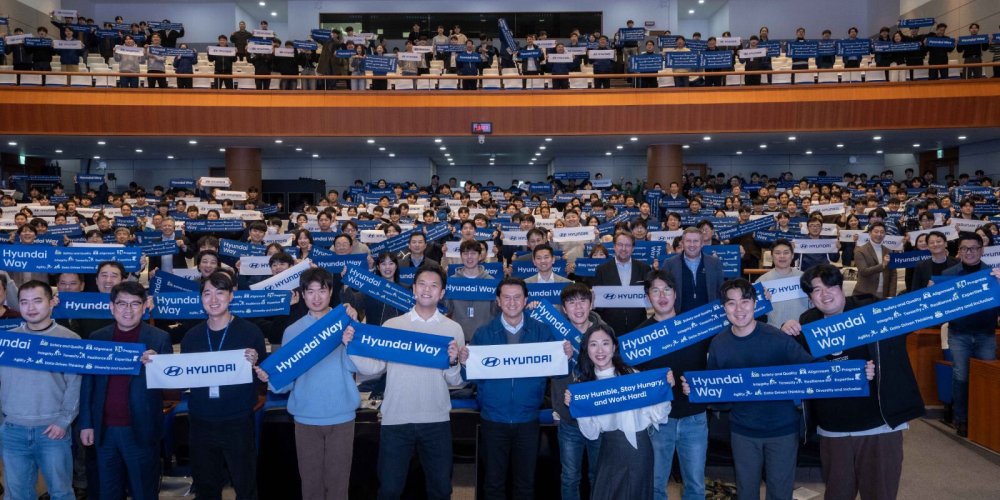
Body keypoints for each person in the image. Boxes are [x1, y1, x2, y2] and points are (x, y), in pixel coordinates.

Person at [781, 264, 921, 500]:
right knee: (837, 493)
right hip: (833, 428)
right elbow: (800, 370)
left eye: (831, 286)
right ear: (810, 297)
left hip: (878, 424)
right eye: (816, 290)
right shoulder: (807, 323)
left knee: (880, 493)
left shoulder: (871, 310)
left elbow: (920, 311)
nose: (825, 294)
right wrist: (784, 331)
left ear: (841, 288)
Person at [683, 279, 814, 500]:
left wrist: (854, 372)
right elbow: (719, 396)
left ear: (755, 304)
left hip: (782, 431)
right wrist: (697, 390)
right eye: (731, 303)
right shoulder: (719, 344)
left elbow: (813, 368)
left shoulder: (777, 338)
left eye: (744, 301)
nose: (739, 309)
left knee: (781, 493)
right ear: (724, 308)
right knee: (746, 492)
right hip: (743, 432)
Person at [345, 264, 463, 500]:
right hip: (396, 420)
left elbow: (456, 381)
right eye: (422, 284)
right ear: (414, 289)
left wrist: (452, 362)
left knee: (440, 489)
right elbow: (374, 367)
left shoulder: (453, 329)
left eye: (434, 285)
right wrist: (352, 346)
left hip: (436, 421)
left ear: (441, 293)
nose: (427, 290)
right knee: (389, 489)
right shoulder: (393, 326)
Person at [458, 277, 573, 500]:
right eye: (506, 297)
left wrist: (565, 358)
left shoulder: (541, 332)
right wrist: (464, 362)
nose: (512, 302)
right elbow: (469, 377)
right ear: (498, 301)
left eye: (517, 297)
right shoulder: (483, 334)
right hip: (493, 420)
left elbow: (558, 373)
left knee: (525, 484)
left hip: (528, 420)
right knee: (493, 484)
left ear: (525, 299)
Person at [254, 268, 360, 500]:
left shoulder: (347, 323)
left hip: (341, 415)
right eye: (310, 291)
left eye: (322, 290)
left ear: (331, 292)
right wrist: (270, 378)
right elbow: (286, 381)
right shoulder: (292, 331)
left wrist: (352, 336)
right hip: (305, 417)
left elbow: (359, 366)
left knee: (338, 487)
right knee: (310, 486)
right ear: (302, 295)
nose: (316, 297)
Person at [79, 281, 171, 500]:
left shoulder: (159, 339)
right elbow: (88, 386)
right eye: (122, 304)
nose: (128, 310)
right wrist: (86, 424)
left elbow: (170, 389)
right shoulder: (97, 338)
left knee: (143, 492)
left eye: (135, 304)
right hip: (104, 430)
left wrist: (159, 367)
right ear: (111, 307)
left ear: (145, 306)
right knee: (108, 492)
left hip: (141, 430)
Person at [180, 272, 265, 500]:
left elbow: (263, 378)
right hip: (200, 422)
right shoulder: (191, 337)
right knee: (206, 488)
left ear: (231, 296)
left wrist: (256, 365)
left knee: (245, 486)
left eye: (220, 292)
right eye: (207, 293)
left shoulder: (250, 333)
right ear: (201, 298)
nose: (214, 299)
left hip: (237, 422)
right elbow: (182, 378)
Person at [567, 326, 673, 500]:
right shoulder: (585, 386)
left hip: (640, 449)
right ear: (587, 349)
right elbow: (591, 434)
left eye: (605, 343)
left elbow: (658, 416)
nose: (600, 350)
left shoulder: (634, 376)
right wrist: (579, 407)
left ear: (614, 347)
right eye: (593, 344)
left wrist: (664, 391)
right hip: (610, 450)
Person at [0, 280, 81, 500]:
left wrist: (63, 421)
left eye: (37, 301)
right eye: (24, 302)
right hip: (13, 430)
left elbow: (75, 385)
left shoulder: (69, 340)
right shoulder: (7, 341)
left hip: (53, 431)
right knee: (16, 494)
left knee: (61, 493)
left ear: (51, 303)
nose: (31, 307)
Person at [636, 270, 708, 500]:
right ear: (648, 297)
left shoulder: (695, 327)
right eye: (655, 290)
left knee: (695, 486)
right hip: (658, 421)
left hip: (694, 417)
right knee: (656, 485)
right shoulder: (639, 336)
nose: (662, 295)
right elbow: (634, 381)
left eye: (667, 289)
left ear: (675, 294)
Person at [940, 231, 999, 437]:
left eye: (974, 248)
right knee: (961, 377)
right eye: (965, 248)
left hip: (986, 335)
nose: (969, 252)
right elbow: (940, 309)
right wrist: (932, 294)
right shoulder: (948, 275)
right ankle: (962, 419)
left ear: (981, 251)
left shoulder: (994, 274)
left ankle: (987, 420)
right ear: (959, 251)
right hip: (959, 334)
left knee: (988, 377)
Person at [551, 283, 606, 499]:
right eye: (571, 302)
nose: (578, 307)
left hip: (600, 419)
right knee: (570, 477)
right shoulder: (554, 334)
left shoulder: (604, 332)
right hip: (569, 420)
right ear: (564, 308)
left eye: (583, 301)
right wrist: (558, 357)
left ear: (591, 303)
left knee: (598, 475)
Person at [593, 231, 652, 335]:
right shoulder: (601, 270)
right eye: (620, 245)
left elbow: (650, 297)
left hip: (639, 326)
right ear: (614, 247)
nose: (624, 249)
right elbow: (599, 303)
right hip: (610, 328)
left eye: (628, 245)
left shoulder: (644, 268)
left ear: (633, 248)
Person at [445, 239, 499, 342]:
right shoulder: (452, 281)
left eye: (473, 253)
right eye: (465, 253)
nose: (469, 257)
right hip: (458, 339)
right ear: (461, 256)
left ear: (480, 256)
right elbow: (448, 309)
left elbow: (495, 311)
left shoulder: (491, 282)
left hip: (485, 339)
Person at [663, 227, 725, 315]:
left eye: (696, 241)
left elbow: (721, 291)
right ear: (683, 243)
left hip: (709, 318)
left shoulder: (715, 263)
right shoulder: (669, 264)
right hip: (679, 319)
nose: (692, 244)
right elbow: (665, 293)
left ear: (702, 243)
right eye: (688, 241)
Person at [852, 222, 897, 299]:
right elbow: (863, 271)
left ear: (885, 234)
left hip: (883, 294)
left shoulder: (889, 251)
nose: (879, 234)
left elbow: (893, 275)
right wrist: (882, 265)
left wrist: (891, 295)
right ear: (869, 233)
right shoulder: (860, 250)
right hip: (864, 294)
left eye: (882, 232)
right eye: (876, 232)